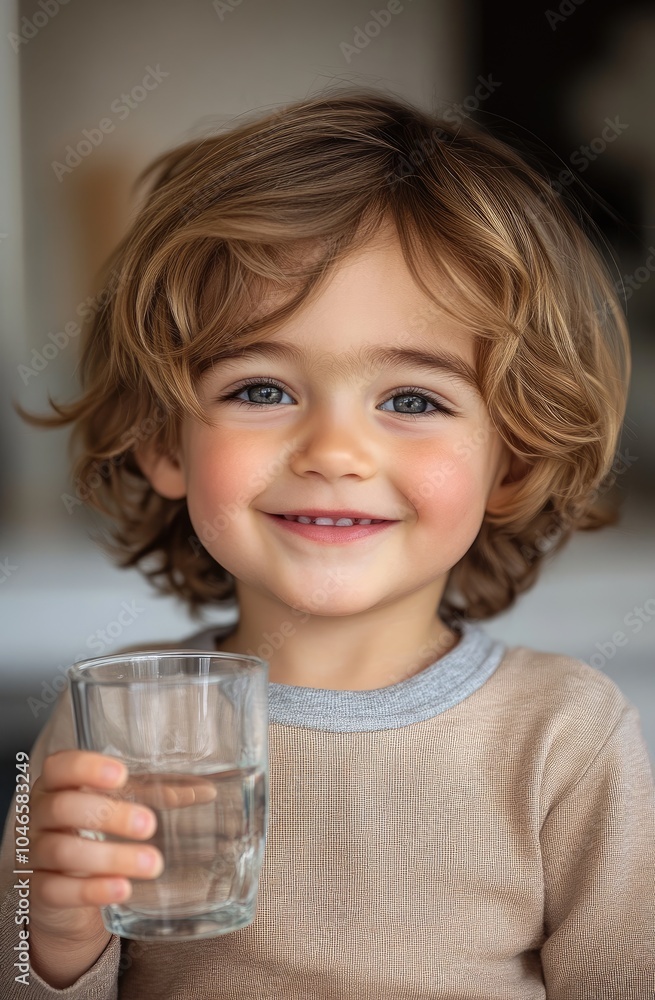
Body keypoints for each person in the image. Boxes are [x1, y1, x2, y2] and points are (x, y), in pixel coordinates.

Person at [1, 88, 653, 999]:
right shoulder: (110, 724)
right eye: (262, 389)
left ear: (512, 460)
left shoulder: (565, 736)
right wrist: (51, 941)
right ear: (162, 441)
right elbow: (25, 975)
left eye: (412, 400)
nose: (335, 452)